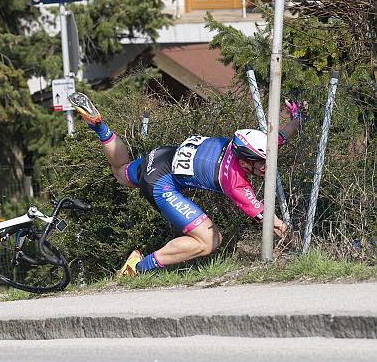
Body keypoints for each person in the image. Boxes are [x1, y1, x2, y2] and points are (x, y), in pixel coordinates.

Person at [67, 92, 305, 276]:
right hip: (160, 183)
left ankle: (99, 126)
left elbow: (281, 136)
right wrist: (302, 248)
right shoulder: (233, 182)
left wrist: (297, 118)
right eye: (263, 164)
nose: (266, 168)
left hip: (160, 157)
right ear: (246, 160)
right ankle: (138, 268)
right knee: (210, 241)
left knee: (120, 172)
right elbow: (271, 224)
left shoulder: (244, 144)